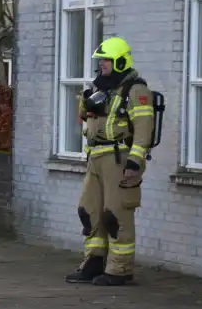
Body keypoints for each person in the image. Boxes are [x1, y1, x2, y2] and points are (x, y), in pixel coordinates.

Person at [65, 37, 155, 287]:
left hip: (120, 159)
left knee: (116, 215)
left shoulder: (136, 91)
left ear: (120, 61)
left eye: (106, 60)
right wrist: (85, 102)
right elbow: (84, 119)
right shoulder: (101, 88)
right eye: (101, 60)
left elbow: (144, 129)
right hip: (96, 157)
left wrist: (135, 162)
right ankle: (93, 262)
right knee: (89, 211)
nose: (101, 64)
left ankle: (120, 269)